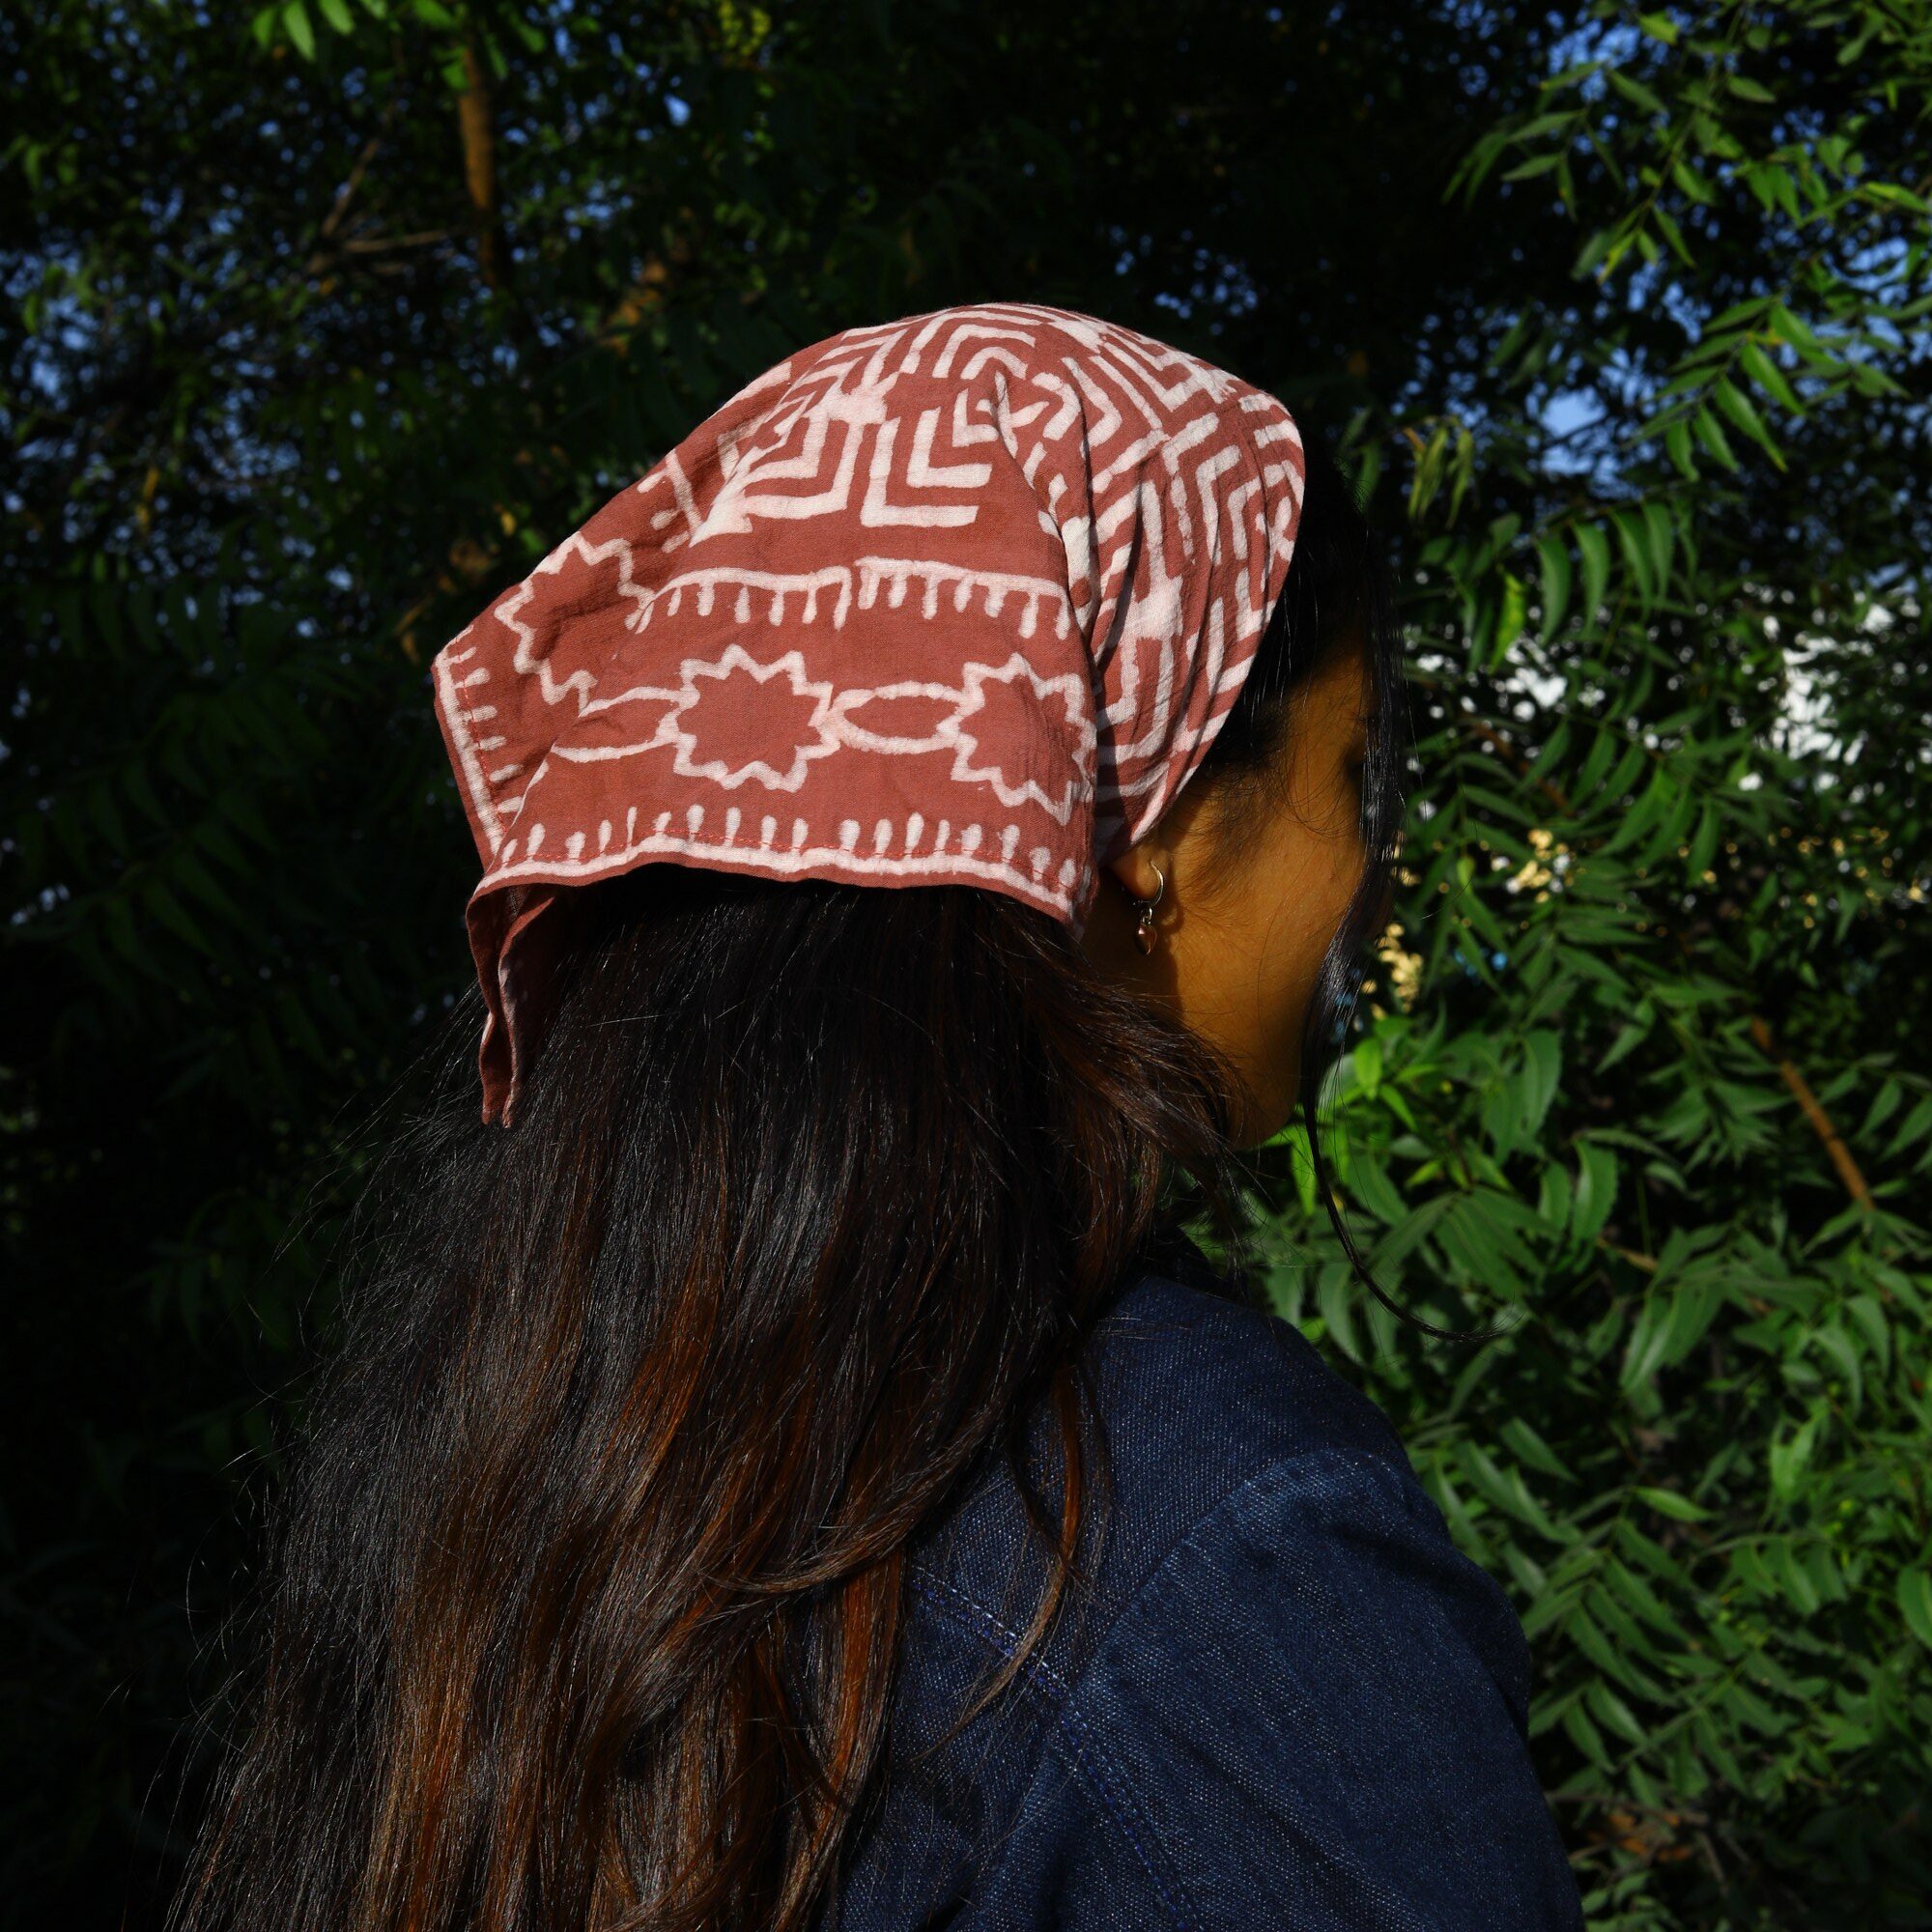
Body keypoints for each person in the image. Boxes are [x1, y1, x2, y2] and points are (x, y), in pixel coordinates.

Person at [180, 303, 1585, 1931]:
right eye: (1357, 782)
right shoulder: (1215, 1540)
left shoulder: (523, 1457)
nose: (1368, 880)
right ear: (1155, 811)